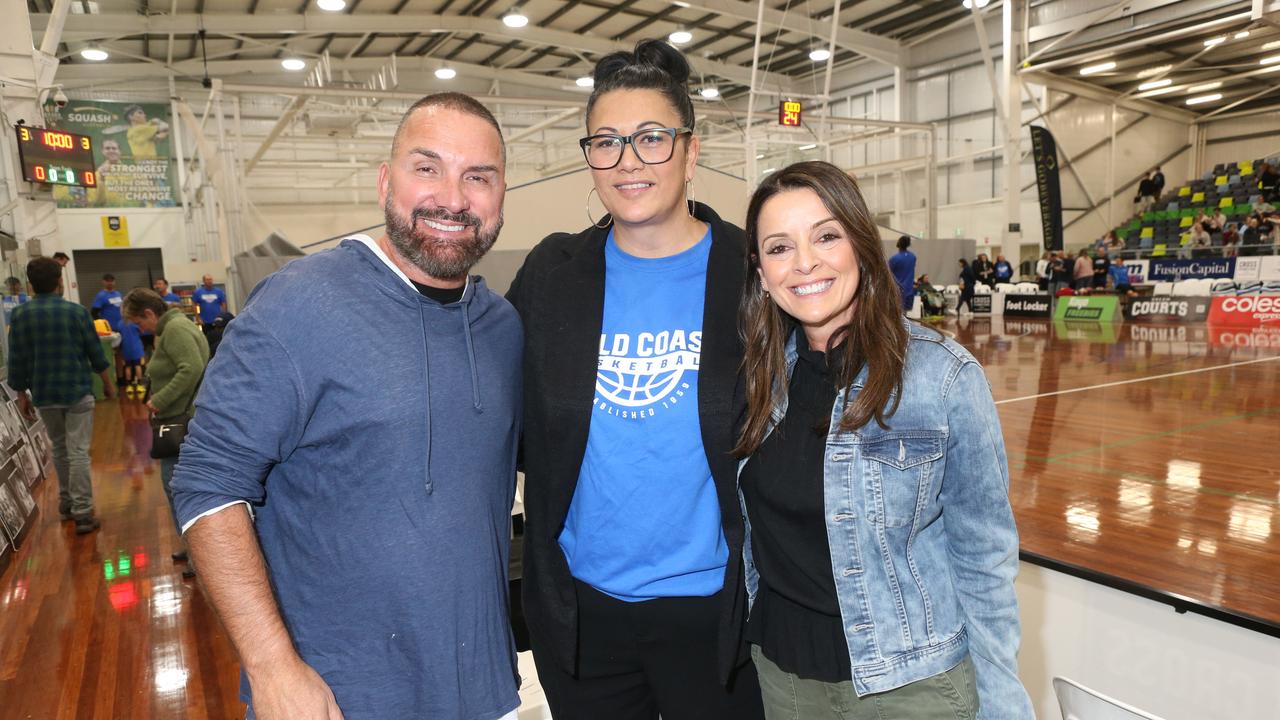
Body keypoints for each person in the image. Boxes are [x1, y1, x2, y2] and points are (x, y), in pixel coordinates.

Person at [170, 92, 522, 720]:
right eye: (427, 167)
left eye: (478, 176)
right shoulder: (298, 305)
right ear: (386, 181)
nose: (453, 197)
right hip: (335, 695)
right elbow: (206, 483)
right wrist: (272, 667)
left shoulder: (501, 326)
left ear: (500, 195)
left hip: (478, 687)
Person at [507, 39, 765, 720]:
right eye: (607, 142)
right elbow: (500, 409)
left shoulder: (751, 272)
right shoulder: (552, 275)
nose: (628, 162)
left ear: (690, 147)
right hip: (585, 617)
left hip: (717, 616)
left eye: (651, 138)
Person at [736, 161, 1032, 719]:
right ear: (760, 273)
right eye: (779, 248)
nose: (805, 263)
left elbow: (984, 558)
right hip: (784, 684)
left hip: (912, 689)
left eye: (826, 236)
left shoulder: (942, 376)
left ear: (861, 248)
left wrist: (1002, 706)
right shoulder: (756, 382)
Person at [6, 257, 115, 534]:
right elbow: (95, 352)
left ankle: (66, 505)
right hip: (77, 390)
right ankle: (82, 513)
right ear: (59, 282)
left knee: (60, 448)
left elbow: (16, 359)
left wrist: (21, 393)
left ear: (31, 285)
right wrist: (107, 383)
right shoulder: (76, 312)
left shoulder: (20, 315)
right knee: (78, 452)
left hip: (44, 393)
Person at [122, 288, 209, 579]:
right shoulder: (176, 326)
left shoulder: (174, 329)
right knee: (179, 488)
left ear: (149, 313)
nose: (140, 329)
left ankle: (200, 553)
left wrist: (159, 400)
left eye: (138, 322)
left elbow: (191, 368)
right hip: (183, 419)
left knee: (177, 488)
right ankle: (194, 547)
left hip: (180, 421)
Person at [887, 235, 916, 312]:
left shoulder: (894, 259)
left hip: (898, 291)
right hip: (909, 290)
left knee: (897, 314)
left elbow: (888, 274)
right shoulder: (912, 257)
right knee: (905, 313)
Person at [119, 319, 145, 396]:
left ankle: (129, 386)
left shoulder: (120, 323)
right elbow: (142, 331)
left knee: (128, 366)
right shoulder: (134, 322)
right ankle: (139, 385)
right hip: (136, 347)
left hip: (126, 348)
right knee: (137, 365)